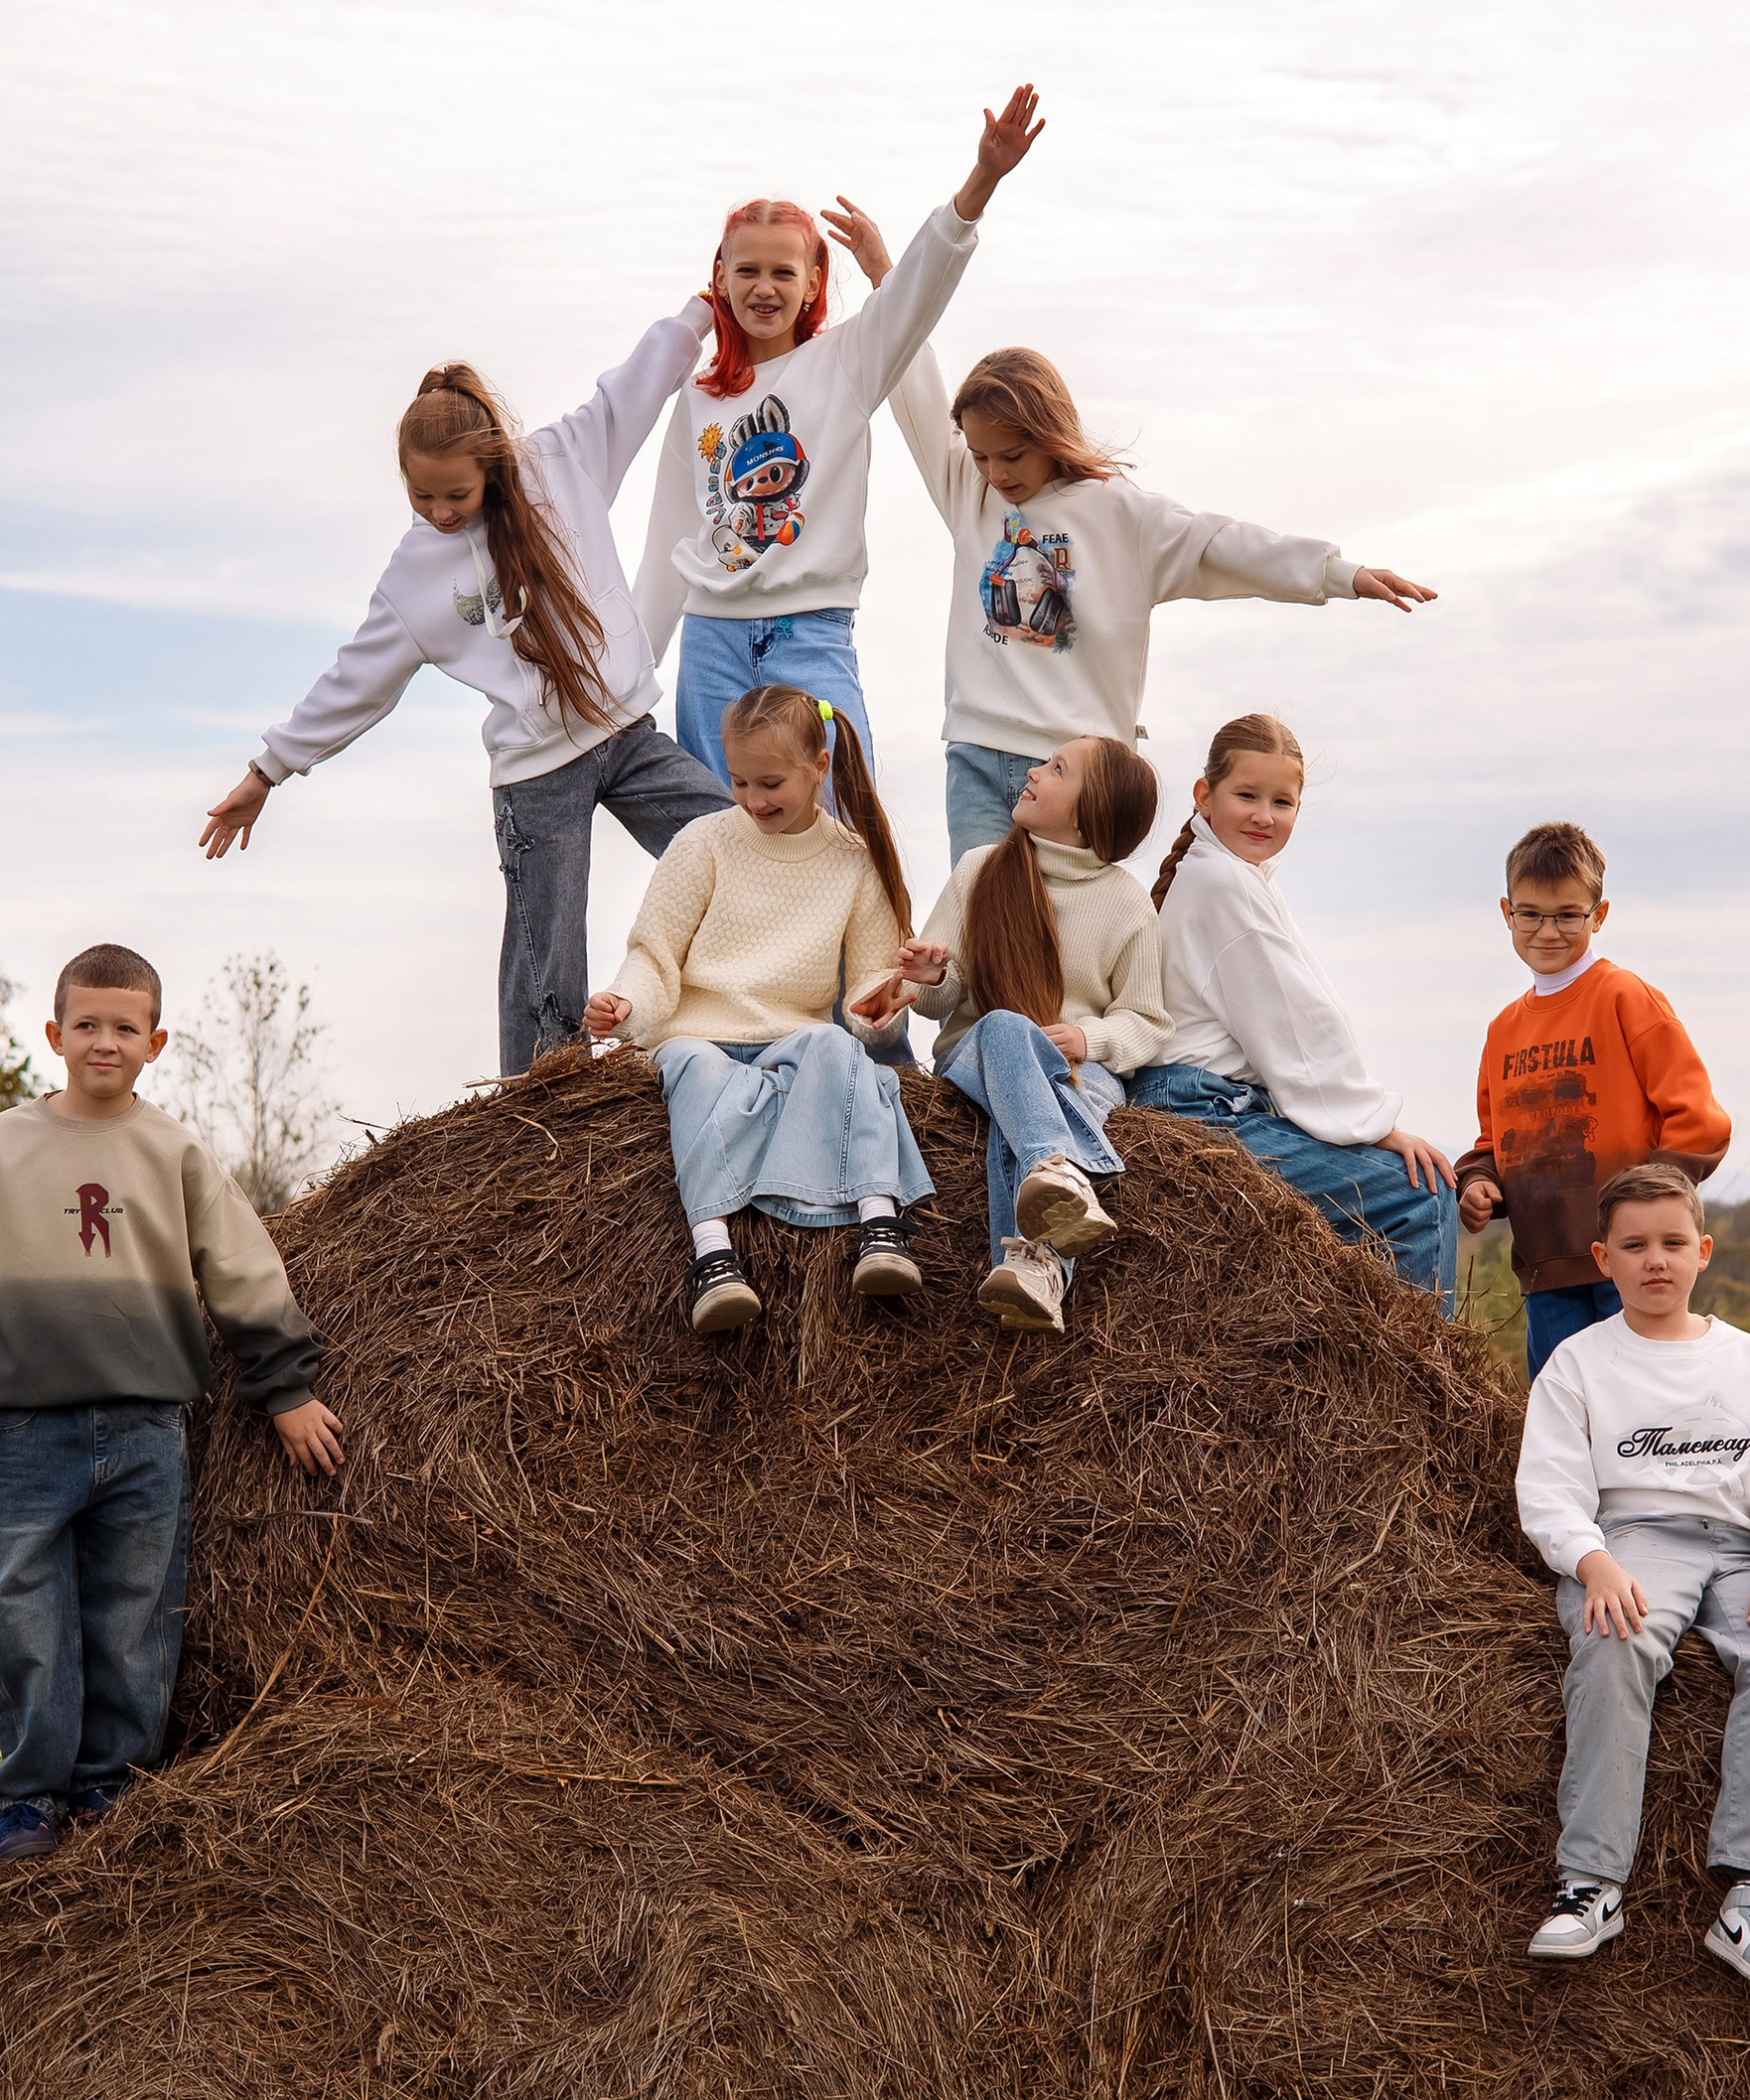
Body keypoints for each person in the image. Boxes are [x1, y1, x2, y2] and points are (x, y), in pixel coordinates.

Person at [0, 945, 344, 1867]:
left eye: (124, 1028)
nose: (105, 1042)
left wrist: (287, 1389)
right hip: (27, 1427)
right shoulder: (2, 1146)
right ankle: (27, 1795)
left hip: (147, 1426)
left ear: (156, 1041)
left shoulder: (173, 1149)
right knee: (23, 1609)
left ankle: (112, 1786)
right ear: (56, 1035)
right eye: (88, 1026)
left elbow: (242, 1267)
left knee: (136, 1611)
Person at [198, 319, 732, 1077]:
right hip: (536, 779)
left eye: (456, 493)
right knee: (546, 971)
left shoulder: (558, 467)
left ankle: (769, 1006)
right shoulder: (414, 577)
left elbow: (628, 395)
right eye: (422, 496)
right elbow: (355, 683)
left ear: (490, 466)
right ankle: (535, 1126)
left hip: (626, 735)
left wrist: (699, 316)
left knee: (732, 838)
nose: (442, 511)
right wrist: (267, 773)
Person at [827, 212, 1436, 861]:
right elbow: (914, 384)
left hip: (1083, 771)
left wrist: (1338, 574)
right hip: (978, 756)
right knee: (982, 935)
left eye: (1012, 456)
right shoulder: (969, 489)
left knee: (1069, 945)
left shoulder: (1123, 517)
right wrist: (887, 279)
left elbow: (1225, 545)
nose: (995, 474)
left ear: (1049, 433)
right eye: (980, 456)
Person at [632, 87, 1047, 780]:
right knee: (715, 833)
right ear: (721, 279)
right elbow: (665, 546)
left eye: (783, 271)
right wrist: (627, 674)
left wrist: (981, 182)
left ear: (815, 279)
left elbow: (917, 291)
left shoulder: (847, 363)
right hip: (711, 644)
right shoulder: (700, 398)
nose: (765, 287)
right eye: (749, 271)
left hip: (810, 634)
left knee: (847, 827)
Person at [1515, 1164, 1750, 2004]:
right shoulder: (1579, 1364)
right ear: (1602, 1258)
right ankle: (1591, 1885)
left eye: (1672, 1243)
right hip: (1631, 1541)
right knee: (1614, 1643)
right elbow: (1547, 1487)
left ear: (1703, 1252)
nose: (1655, 1260)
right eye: (1634, 1246)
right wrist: (1594, 1565)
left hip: (1740, 1550)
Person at [582, 687, 930, 1339]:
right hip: (699, 1031)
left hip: (792, 1034)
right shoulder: (704, 843)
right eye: (739, 780)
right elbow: (655, 953)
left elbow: (869, 992)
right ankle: (714, 1255)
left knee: (839, 1053)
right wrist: (627, 1005)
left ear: (819, 767)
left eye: (771, 782)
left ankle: (880, 1226)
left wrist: (886, 1002)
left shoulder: (856, 861)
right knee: (688, 1063)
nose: (752, 799)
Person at [1129, 714, 1459, 1307]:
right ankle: (1420, 1384)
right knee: (1421, 1197)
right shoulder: (1224, 884)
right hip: (1206, 1111)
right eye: (1246, 795)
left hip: (1207, 1101)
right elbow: (1297, 1028)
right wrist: (1377, 1126)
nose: (1264, 815)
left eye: (1282, 801)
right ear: (1204, 795)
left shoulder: (1226, 877)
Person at [855, 737, 1166, 1336]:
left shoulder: (1128, 905)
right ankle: (1056, 1166)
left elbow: (1147, 1021)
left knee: (1016, 1114)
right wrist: (932, 975)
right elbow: (940, 1003)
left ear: (1086, 810)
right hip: (977, 1051)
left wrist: (1087, 1037)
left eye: (1055, 769)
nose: (1031, 771)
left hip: (1081, 1070)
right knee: (1004, 1028)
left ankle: (1031, 1269)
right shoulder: (981, 869)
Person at [1454, 820, 1730, 1379]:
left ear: (1598, 915)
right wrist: (1479, 1181)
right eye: (1530, 914)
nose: (1547, 931)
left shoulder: (1625, 998)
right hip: (1546, 1268)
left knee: (1646, 1411)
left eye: (1567, 915)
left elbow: (1698, 1121)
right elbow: (1495, 1140)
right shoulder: (1502, 1030)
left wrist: (1646, 1209)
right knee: (1567, 1422)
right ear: (1506, 913)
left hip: (1628, 1266)